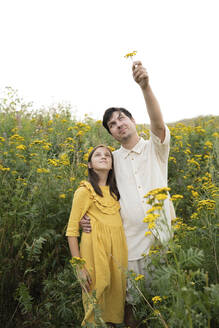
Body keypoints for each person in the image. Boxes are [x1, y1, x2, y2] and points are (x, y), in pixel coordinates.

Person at [80, 61, 175, 327]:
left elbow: (158, 124)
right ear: (111, 133)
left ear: (133, 121)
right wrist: (85, 219)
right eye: (112, 124)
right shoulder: (111, 160)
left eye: (122, 118)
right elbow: (98, 194)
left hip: (163, 242)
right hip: (130, 246)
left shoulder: (155, 149)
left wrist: (145, 86)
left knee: (163, 304)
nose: (118, 124)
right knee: (132, 308)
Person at [66, 145, 128, 327]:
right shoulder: (84, 191)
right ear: (90, 165)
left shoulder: (116, 192)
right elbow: (71, 231)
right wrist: (79, 267)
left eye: (107, 155)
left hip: (117, 254)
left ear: (112, 165)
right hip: (94, 252)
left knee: (115, 303)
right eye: (98, 155)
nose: (103, 157)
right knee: (95, 301)